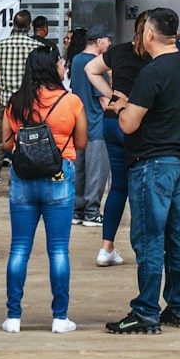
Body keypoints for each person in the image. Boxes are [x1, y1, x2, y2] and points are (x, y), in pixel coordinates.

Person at [105, 7, 180, 335]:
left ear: (148, 34)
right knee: (175, 236)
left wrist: (119, 107)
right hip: (178, 161)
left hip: (151, 163)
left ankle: (145, 311)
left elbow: (129, 124)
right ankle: (178, 306)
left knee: (148, 238)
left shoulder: (153, 72)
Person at [2, 43, 86, 334]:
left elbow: (6, 142)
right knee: (59, 250)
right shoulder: (71, 101)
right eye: (61, 62)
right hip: (59, 177)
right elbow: (83, 141)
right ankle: (60, 317)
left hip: (23, 180)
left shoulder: (16, 102)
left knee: (19, 248)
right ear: (53, 68)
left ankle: (14, 317)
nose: (63, 66)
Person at [86, 20, 145, 265]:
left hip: (112, 121)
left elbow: (91, 69)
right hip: (137, 124)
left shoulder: (119, 51)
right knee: (143, 189)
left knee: (119, 187)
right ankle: (147, 249)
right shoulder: (155, 56)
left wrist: (111, 94)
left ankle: (106, 247)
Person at [75, 21, 115, 226]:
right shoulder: (98, 66)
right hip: (97, 125)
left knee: (80, 169)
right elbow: (104, 99)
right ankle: (92, 212)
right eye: (108, 40)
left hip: (79, 124)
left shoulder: (75, 60)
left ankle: (78, 212)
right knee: (96, 172)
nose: (109, 44)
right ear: (99, 41)